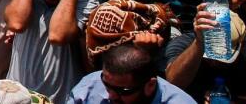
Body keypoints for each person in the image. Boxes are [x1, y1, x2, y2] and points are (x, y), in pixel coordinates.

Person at [5, 0, 99, 101]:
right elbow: (16, 23)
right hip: (18, 91)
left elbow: (58, 35)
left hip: (57, 96)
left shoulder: (86, 0)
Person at [164, 2, 246, 102]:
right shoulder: (182, 45)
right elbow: (173, 83)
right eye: (210, 56)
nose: (215, 62)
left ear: (242, 45)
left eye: (223, 57)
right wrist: (199, 43)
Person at [66, 43, 196, 104]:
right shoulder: (88, 88)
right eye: (106, 85)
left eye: (122, 91)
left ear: (150, 85)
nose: (110, 96)